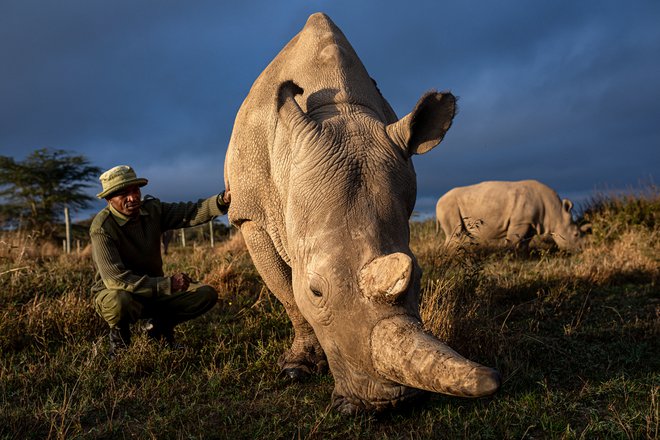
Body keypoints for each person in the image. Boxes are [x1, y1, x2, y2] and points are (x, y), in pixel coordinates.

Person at [89, 165, 230, 355]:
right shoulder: (102, 228)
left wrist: (221, 201)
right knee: (119, 300)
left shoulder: (153, 210)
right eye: (123, 194)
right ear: (109, 199)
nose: (133, 198)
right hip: (119, 294)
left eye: (135, 190)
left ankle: (158, 330)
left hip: (152, 292)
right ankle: (120, 342)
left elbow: (189, 212)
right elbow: (116, 280)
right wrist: (167, 284)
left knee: (206, 294)